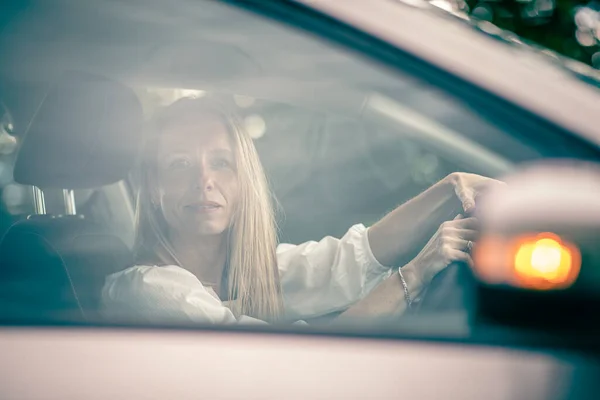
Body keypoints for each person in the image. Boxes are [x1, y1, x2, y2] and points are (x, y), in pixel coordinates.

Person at [101, 97, 498, 325]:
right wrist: (417, 271)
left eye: (221, 162)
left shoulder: (248, 271)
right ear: (153, 189)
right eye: (180, 165)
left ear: (244, 181)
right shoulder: (148, 291)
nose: (204, 180)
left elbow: (352, 258)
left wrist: (452, 187)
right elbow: (298, 363)